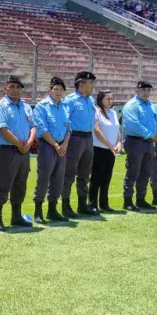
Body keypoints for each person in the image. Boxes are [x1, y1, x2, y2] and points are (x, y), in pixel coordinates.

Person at [0, 75, 35, 231]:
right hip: (7, 150)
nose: (15, 90)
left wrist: (29, 143)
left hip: (24, 151)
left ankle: (16, 216)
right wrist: (18, 143)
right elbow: (2, 128)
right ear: (5, 88)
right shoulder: (0, 106)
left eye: (18, 87)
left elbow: (33, 126)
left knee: (20, 184)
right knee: (3, 183)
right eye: (11, 86)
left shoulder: (26, 106)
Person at [32, 77, 70, 224]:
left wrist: (65, 144)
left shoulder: (65, 106)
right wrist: (55, 145)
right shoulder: (42, 106)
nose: (58, 92)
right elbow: (42, 129)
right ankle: (38, 211)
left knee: (58, 179)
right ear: (50, 90)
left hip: (62, 146)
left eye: (61, 89)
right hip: (48, 145)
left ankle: (52, 210)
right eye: (55, 89)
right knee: (44, 177)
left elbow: (69, 128)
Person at [61, 71, 99, 217]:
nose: (92, 86)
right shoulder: (70, 100)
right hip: (74, 138)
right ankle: (65, 206)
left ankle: (82, 205)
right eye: (90, 83)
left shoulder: (90, 100)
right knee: (69, 173)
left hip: (88, 138)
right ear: (81, 84)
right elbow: (65, 121)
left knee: (85, 173)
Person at [122, 81, 157, 211]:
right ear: (137, 90)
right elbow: (134, 124)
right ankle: (127, 200)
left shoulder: (152, 106)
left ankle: (141, 199)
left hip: (149, 142)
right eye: (143, 89)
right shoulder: (131, 105)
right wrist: (151, 134)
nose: (146, 92)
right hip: (135, 141)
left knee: (146, 172)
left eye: (149, 90)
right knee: (133, 171)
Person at [89, 90, 121, 212]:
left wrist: (118, 143)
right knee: (96, 177)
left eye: (112, 98)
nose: (110, 101)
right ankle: (92, 204)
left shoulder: (113, 113)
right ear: (100, 99)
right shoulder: (96, 112)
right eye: (107, 98)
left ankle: (104, 203)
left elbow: (117, 130)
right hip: (99, 149)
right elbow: (97, 131)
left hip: (110, 151)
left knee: (107, 177)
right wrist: (110, 145)